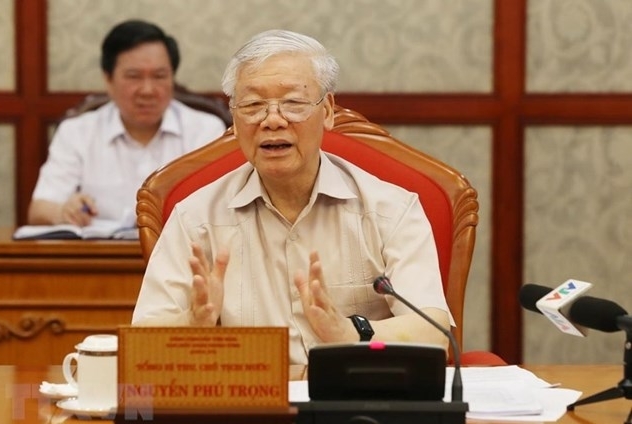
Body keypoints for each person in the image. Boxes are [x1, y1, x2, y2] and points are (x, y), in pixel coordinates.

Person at [131, 29, 452, 364]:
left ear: (327, 111)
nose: (272, 120)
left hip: (355, 404)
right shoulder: (195, 219)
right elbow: (142, 344)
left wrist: (349, 332)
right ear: (235, 121)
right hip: (249, 406)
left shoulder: (390, 210)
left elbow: (434, 333)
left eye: (293, 104)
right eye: (253, 105)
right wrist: (192, 323)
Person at [28, 20, 227, 226]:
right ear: (108, 80)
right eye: (134, 77)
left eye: (159, 76)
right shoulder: (77, 132)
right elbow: (39, 210)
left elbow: (221, 209)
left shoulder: (206, 130)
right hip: (101, 256)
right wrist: (64, 211)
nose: (148, 90)